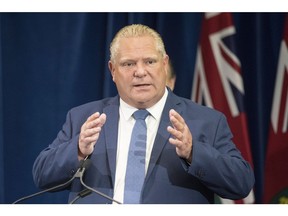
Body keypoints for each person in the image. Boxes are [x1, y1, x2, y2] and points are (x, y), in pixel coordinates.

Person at [32, 24, 255, 204]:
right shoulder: (84, 117)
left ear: (164, 64)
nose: (140, 72)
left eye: (149, 61)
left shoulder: (206, 121)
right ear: (112, 70)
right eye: (128, 64)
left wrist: (193, 152)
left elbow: (241, 184)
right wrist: (78, 150)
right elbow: (42, 176)